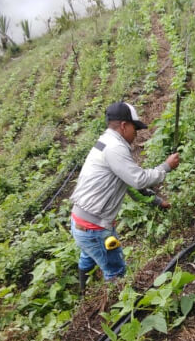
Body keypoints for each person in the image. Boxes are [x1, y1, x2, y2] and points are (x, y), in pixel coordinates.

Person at [70, 101, 180, 293]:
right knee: (116, 272)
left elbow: (127, 183)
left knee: (88, 256)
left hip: (80, 221)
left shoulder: (105, 142)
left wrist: (156, 201)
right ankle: (116, 315)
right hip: (94, 227)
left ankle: (82, 295)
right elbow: (138, 180)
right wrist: (166, 167)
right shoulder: (115, 148)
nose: (136, 133)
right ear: (123, 125)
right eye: (134, 128)